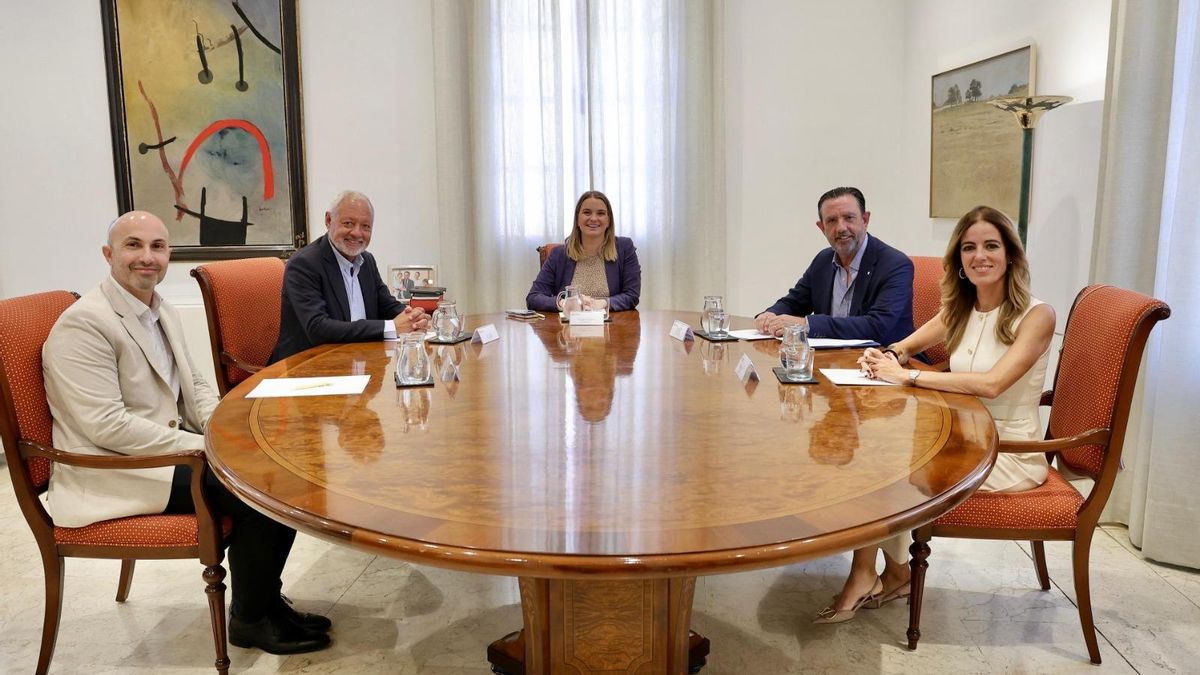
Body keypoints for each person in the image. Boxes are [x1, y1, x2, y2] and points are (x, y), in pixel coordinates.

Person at [42, 211, 332, 653]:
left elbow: (195, 385)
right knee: (256, 488)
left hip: (162, 452)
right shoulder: (84, 325)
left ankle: (266, 600)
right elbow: (106, 426)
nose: (147, 257)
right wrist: (206, 447)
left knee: (282, 465)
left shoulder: (162, 309)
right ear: (108, 254)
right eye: (133, 245)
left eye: (157, 246)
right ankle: (251, 618)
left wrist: (228, 430)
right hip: (117, 469)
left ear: (168, 255)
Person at [814, 205, 1055, 624]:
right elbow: (903, 346)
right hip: (960, 436)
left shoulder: (1037, 315)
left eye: (991, 246)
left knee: (887, 475)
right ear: (959, 260)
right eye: (969, 248)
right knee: (875, 454)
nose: (980, 256)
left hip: (1008, 451)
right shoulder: (961, 309)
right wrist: (885, 355)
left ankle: (871, 576)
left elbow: (992, 384)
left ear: (1011, 255)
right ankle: (887, 574)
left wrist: (908, 378)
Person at [270, 190, 429, 363]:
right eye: (348, 223)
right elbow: (317, 328)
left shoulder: (366, 261)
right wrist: (391, 327)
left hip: (359, 362)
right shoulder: (303, 264)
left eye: (366, 226)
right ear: (329, 220)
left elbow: (387, 305)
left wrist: (414, 318)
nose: (357, 233)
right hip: (308, 368)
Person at [754, 187, 913, 347]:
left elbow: (877, 326)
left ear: (865, 220)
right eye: (831, 221)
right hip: (834, 361)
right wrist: (771, 314)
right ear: (822, 228)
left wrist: (807, 324)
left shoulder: (895, 264)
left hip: (889, 360)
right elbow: (795, 302)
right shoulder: (823, 260)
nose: (841, 228)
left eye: (849, 218)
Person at [526, 190, 642, 313]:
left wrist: (603, 303)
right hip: (567, 329)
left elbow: (632, 295)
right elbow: (533, 298)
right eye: (587, 213)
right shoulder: (558, 254)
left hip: (612, 327)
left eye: (601, 213)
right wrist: (564, 303)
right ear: (577, 219)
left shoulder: (624, 248)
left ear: (608, 220)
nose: (593, 218)